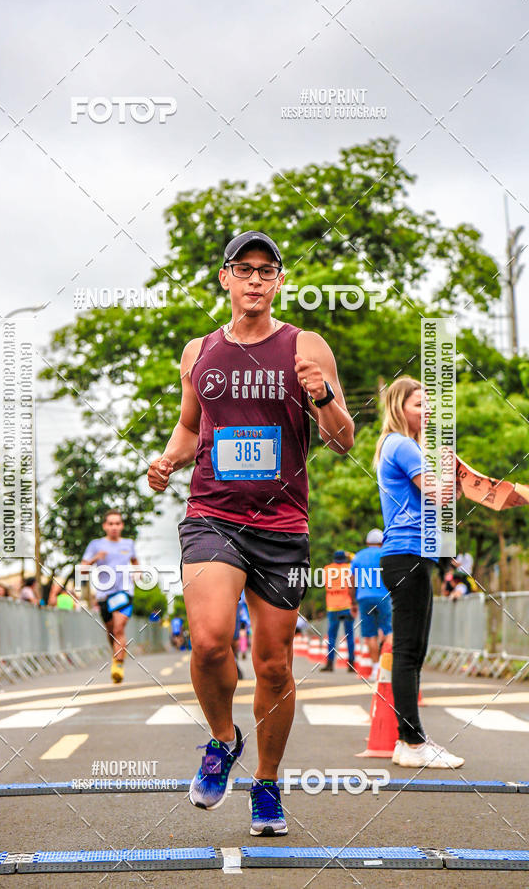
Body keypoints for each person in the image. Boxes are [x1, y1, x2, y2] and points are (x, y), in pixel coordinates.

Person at [147, 229, 354, 836]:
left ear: (280, 281)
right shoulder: (199, 352)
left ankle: (267, 785)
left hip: (283, 522)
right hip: (213, 512)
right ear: (226, 279)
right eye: (245, 269)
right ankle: (221, 740)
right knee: (210, 642)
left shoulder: (304, 344)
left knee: (274, 665)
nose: (256, 279)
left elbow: (342, 440)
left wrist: (324, 397)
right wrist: (167, 461)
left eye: (268, 270)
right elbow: (189, 430)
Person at [374, 376, 464, 769]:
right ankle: (412, 743)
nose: (426, 411)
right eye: (418, 404)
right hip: (406, 556)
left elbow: (440, 496)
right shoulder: (403, 445)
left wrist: (453, 484)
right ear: (399, 408)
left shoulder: (402, 446)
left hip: (410, 556)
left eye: (428, 404)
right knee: (409, 653)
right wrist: (458, 478)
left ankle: (406, 741)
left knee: (413, 651)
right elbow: (439, 493)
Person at [81, 510, 139, 683]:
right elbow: (83, 569)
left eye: (118, 523)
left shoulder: (128, 544)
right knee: (111, 631)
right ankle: (116, 655)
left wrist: (138, 572)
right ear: (105, 526)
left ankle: (118, 665)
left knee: (119, 628)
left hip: (124, 592)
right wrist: (95, 558)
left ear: (122, 525)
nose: (114, 527)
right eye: (111, 523)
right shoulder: (95, 545)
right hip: (104, 594)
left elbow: (135, 561)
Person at [350, 529, 393, 681]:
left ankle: (375, 669)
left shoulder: (358, 557)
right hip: (383, 597)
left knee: (370, 635)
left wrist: (352, 602)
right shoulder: (386, 553)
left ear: (367, 542)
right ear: (382, 542)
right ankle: (387, 667)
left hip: (364, 598)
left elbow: (352, 581)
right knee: (388, 631)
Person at [320, 550, 355, 672]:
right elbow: (356, 559)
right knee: (350, 636)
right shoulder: (349, 567)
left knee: (332, 637)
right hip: (347, 606)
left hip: (332, 607)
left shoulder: (327, 569)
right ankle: (351, 664)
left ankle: (330, 664)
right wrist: (349, 554)